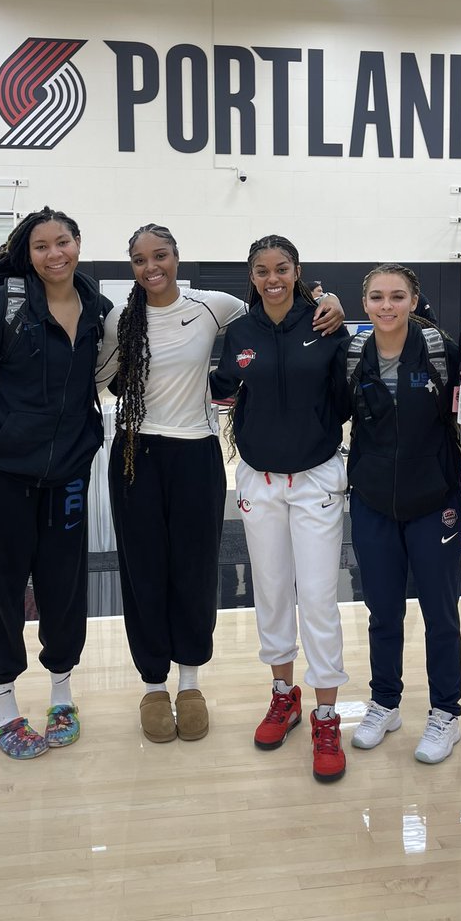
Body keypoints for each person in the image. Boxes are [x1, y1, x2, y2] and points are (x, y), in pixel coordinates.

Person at [99, 224, 343, 745]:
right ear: (132, 267)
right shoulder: (121, 319)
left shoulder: (215, 306)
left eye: (160, 255)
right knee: (144, 572)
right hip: (135, 452)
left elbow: (277, 302)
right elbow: (99, 377)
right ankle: (152, 685)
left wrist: (328, 297)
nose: (152, 267)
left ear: (178, 257)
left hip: (196, 452)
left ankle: (190, 684)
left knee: (193, 568)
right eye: (140, 259)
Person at [0, 207, 112, 759]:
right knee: (4, 588)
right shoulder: (0, 308)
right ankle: (4, 706)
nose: (54, 254)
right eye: (42, 246)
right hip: (1, 476)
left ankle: (62, 693)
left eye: (63, 242)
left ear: (78, 244)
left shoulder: (98, 311)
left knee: (65, 588)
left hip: (67, 477)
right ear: (28, 252)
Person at [210, 236, 351, 783]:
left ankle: (327, 713)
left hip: (315, 476)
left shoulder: (325, 323)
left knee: (317, 596)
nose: (273, 278)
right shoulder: (240, 332)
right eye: (263, 270)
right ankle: (282, 696)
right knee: (270, 590)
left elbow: (341, 400)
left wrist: (334, 302)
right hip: (259, 480)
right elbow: (224, 387)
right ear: (252, 275)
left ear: (297, 272)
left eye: (282, 268)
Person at [346, 264, 461, 763]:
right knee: (383, 611)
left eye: (397, 296)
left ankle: (445, 713)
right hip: (373, 501)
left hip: (434, 501)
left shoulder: (439, 351)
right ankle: (386, 702)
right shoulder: (352, 355)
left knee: (440, 613)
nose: (387, 306)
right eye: (377, 297)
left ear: (414, 300)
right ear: (366, 302)